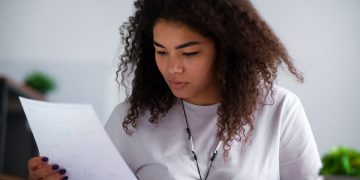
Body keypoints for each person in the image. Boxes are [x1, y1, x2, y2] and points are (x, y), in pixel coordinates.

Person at [27, 0, 322, 179]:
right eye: (161, 51)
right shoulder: (129, 119)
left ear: (228, 50)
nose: (172, 68)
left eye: (189, 53)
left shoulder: (280, 109)